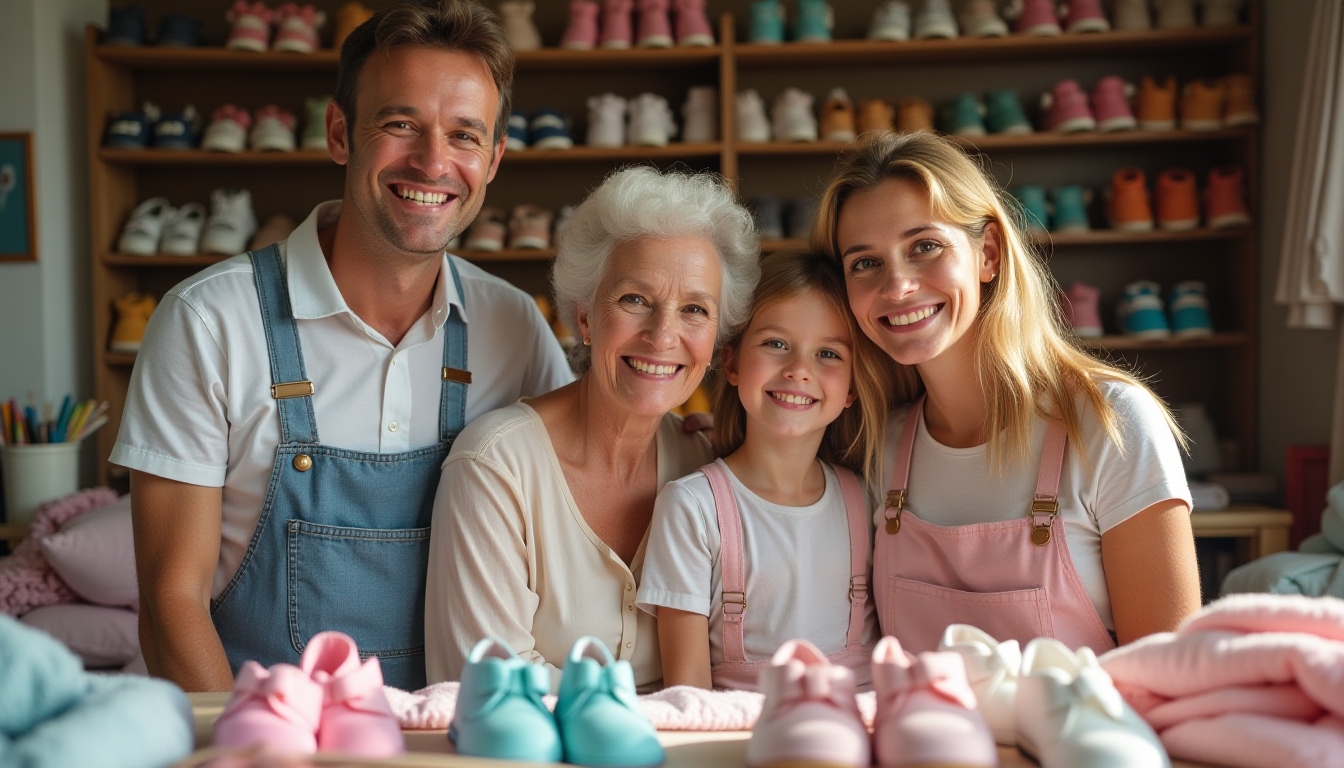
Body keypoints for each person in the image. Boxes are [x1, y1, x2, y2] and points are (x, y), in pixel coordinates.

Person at [113, 0, 573, 692]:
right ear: (338, 133)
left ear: (495, 160)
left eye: (465, 136)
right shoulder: (207, 323)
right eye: (400, 124)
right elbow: (171, 609)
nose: (433, 161)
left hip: (456, 743)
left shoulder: (515, 329)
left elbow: (588, 508)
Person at [812, 131, 1201, 653]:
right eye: (864, 262)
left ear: (988, 253)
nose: (897, 285)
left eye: (924, 246)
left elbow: (1170, 678)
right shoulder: (878, 445)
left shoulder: (1113, 423)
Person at [425, 166, 760, 689]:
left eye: (695, 309)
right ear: (583, 317)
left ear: (717, 342)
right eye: (634, 300)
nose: (662, 334)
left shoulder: (711, 465)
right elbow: (492, 687)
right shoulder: (495, 464)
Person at [638, 249, 889, 691]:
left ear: (852, 388)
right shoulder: (692, 508)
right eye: (776, 344)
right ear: (732, 364)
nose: (798, 371)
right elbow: (688, 691)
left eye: (828, 353)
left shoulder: (867, 499)